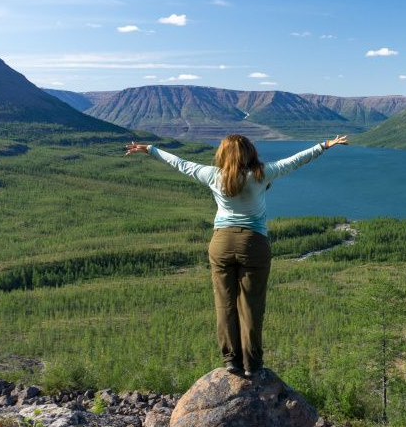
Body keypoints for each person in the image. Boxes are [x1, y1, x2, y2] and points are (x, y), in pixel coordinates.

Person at [125, 134, 348, 376]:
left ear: (223, 154)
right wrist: (324, 146)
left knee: (225, 304)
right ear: (250, 152)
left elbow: (180, 163)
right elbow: (294, 161)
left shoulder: (213, 175)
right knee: (251, 306)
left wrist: (150, 149)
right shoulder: (261, 174)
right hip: (253, 243)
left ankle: (231, 360)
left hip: (221, 243)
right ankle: (252, 365)